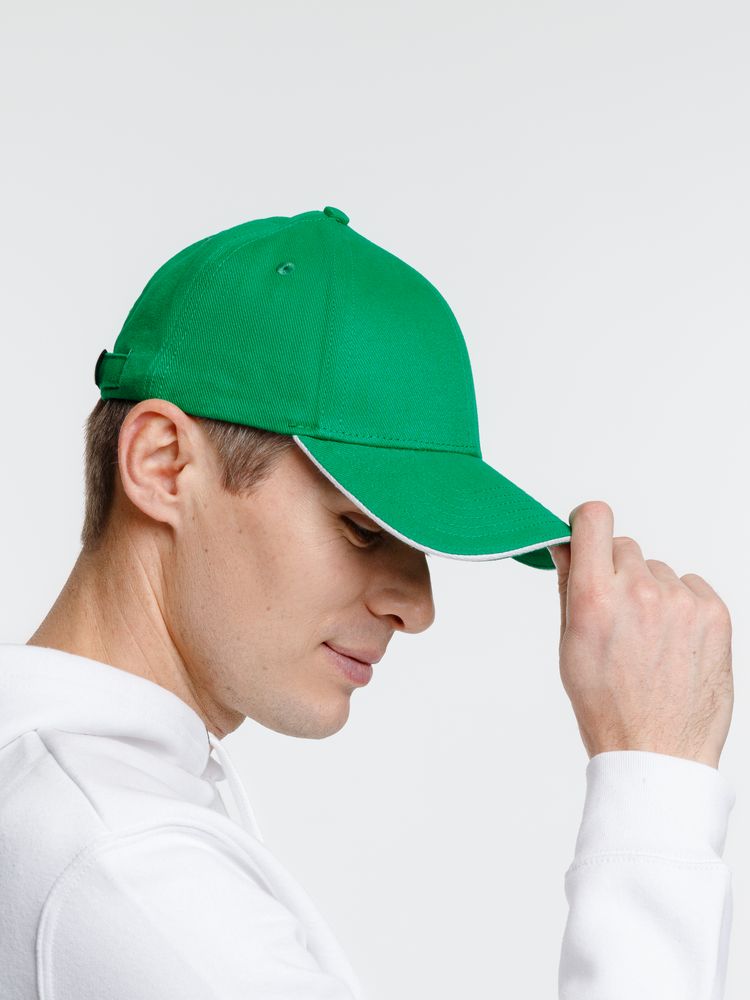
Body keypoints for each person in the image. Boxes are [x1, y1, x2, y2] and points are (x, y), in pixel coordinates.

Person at [0, 206, 734, 999]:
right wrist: (656, 785)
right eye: (361, 528)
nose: (417, 607)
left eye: (419, 543)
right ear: (163, 464)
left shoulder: (78, 802)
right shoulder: (125, 868)